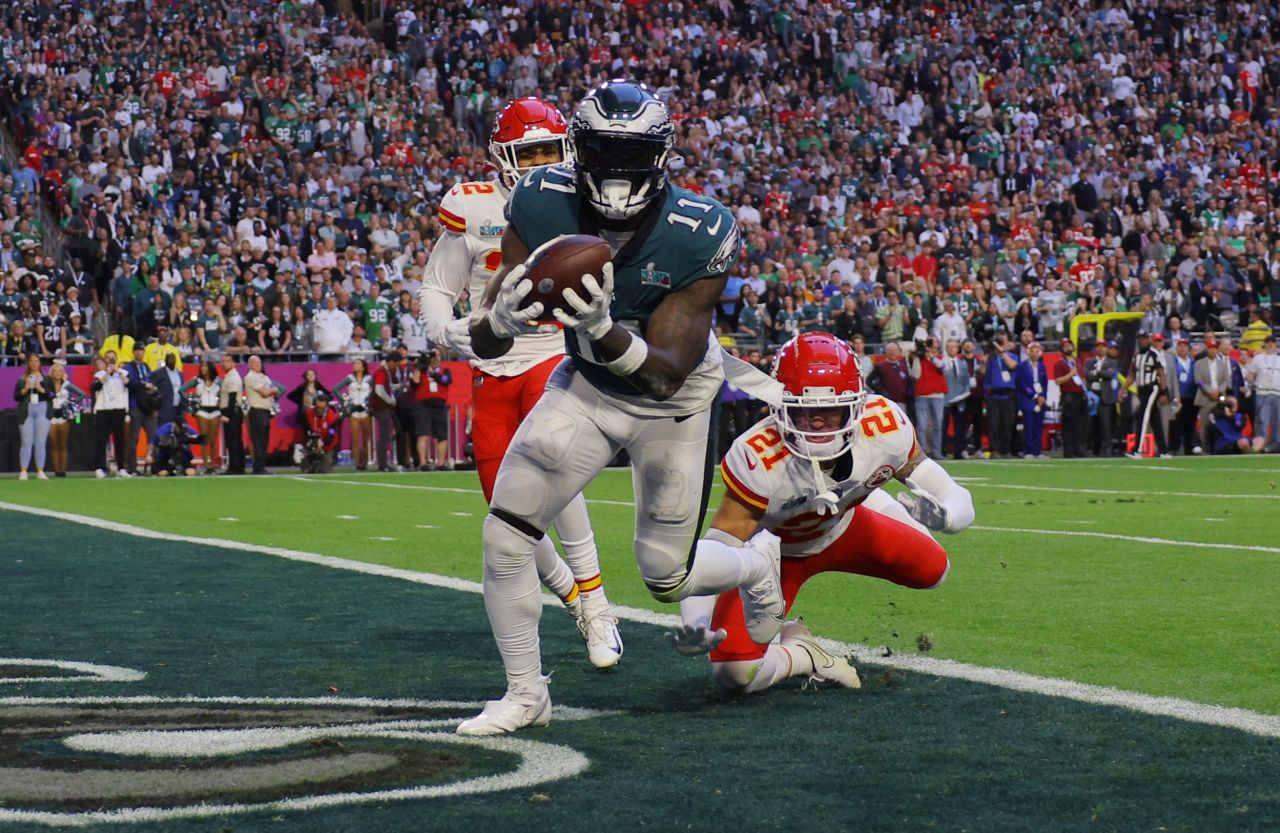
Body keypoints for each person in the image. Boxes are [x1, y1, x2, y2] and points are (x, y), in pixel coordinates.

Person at [460, 82, 781, 736]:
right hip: (588, 384)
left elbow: (665, 375)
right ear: (579, 148)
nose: (615, 167)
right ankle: (527, 693)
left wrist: (605, 327)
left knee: (666, 575)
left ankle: (755, 562)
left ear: (660, 157)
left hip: (675, 404)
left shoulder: (701, 230)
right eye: (604, 150)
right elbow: (491, 339)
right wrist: (498, 315)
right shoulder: (542, 198)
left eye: (629, 153)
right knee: (505, 532)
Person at [420, 96, 618, 663]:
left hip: (553, 354)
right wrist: (446, 330)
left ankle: (599, 603)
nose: (536, 165)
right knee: (506, 513)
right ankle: (575, 599)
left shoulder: (583, 203)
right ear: (502, 157)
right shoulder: (476, 207)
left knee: (554, 463)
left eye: (546, 152)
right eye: (525, 153)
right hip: (492, 363)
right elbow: (437, 285)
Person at [666, 333, 973, 695]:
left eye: (830, 410)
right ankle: (803, 653)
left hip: (847, 524)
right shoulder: (758, 457)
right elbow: (717, 545)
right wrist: (696, 618)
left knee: (935, 571)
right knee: (735, 674)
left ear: (857, 404)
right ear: (777, 404)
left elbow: (952, 492)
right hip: (774, 557)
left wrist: (948, 517)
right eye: (803, 410)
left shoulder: (885, 425)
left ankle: (874, 499)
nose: (816, 423)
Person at [1129, 332, 1171, 458]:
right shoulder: (1136, 357)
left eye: (1144, 339)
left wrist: (1163, 392)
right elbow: (1132, 376)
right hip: (1141, 390)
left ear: (1148, 340)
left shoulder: (1153, 355)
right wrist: (1123, 389)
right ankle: (1164, 450)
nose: (1142, 342)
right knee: (1155, 420)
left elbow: (1161, 374)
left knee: (1143, 416)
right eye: (1140, 339)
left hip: (1152, 388)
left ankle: (1138, 450)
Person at [410, 350, 452, 470]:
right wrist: (419, 367)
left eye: (437, 355)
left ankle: (441, 463)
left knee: (442, 435)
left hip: (439, 404)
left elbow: (446, 380)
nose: (435, 358)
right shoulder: (421, 370)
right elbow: (414, 384)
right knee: (423, 433)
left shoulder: (445, 370)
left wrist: (432, 373)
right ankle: (423, 463)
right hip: (423, 404)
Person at [91, 352, 131, 478]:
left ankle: (121, 467)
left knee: (120, 440)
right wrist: (108, 373)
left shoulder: (123, 373)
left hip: (118, 409)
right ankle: (99, 467)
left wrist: (117, 371)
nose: (111, 360)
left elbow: (129, 384)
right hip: (103, 409)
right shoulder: (100, 374)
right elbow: (95, 387)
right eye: (108, 358)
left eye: (113, 358)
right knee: (101, 440)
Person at [14, 352, 52, 480]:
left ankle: (40, 470)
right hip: (27, 409)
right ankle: (23, 470)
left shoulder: (46, 378)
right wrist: (25, 389)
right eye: (31, 361)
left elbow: (52, 395)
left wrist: (41, 389)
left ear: (39, 363)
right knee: (26, 441)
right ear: (28, 363)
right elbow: (16, 397)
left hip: (42, 408)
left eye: (36, 361)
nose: (34, 364)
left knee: (41, 441)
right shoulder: (21, 378)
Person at [47, 362, 88, 477]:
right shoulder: (47, 384)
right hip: (51, 416)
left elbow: (82, 394)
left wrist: (71, 402)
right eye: (55, 371)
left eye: (60, 371)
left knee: (63, 444)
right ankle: (56, 469)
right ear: (52, 373)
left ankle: (63, 470)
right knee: (54, 444)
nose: (57, 373)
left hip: (63, 416)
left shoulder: (66, 384)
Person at [124, 343, 159, 475]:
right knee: (133, 438)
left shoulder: (147, 367)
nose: (139, 353)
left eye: (141, 350)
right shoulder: (129, 367)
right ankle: (131, 467)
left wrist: (153, 388)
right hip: (135, 405)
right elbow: (129, 385)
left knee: (153, 436)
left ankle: (153, 464)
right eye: (137, 350)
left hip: (148, 406)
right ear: (133, 352)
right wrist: (143, 386)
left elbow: (152, 383)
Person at [908, 336, 947, 458]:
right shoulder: (918, 358)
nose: (932, 343)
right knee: (922, 425)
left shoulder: (940, 357)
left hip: (937, 395)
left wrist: (932, 357)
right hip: (922, 394)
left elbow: (943, 368)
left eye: (934, 341)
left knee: (937, 425)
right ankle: (923, 452)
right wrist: (917, 358)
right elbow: (915, 375)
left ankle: (936, 451)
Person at [243, 355, 282, 475]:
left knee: (264, 439)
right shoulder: (250, 377)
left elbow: (276, 390)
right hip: (256, 410)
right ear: (250, 365)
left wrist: (272, 390)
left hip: (265, 410)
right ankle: (258, 466)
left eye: (259, 362)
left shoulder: (263, 377)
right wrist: (272, 390)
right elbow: (266, 392)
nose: (258, 365)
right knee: (258, 440)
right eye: (255, 363)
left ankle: (261, 465)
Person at [183, 360, 223, 474]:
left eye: (206, 366)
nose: (203, 368)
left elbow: (226, 390)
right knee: (204, 439)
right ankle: (206, 465)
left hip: (215, 411)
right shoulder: (197, 380)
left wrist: (221, 402)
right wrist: (191, 401)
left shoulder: (218, 381)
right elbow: (182, 390)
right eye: (202, 366)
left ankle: (213, 464)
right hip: (202, 411)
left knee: (213, 439)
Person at [983, 332, 1019, 457]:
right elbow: (982, 371)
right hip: (993, 396)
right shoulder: (991, 358)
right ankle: (995, 450)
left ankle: (1006, 449)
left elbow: (1012, 365)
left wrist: (1002, 352)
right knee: (994, 424)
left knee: (1007, 424)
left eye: (1002, 341)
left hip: (1007, 395)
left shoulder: (1012, 356)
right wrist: (986, 358)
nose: (1000, 344)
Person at [334, 358, 373, 470]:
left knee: (366, 439)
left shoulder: (369, 378)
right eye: (354, 363)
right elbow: (336, 389)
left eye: (357, 363)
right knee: (355, 439)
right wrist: (345, 401)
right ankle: (356, 463)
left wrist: (369, 400)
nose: (355, 365)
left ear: (363, 366)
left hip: (365, 410)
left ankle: (365, 462)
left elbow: (376, 389)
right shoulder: (349, 378)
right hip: (354, 410)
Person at [1194, 336, 1231, 454]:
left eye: (1215, 348)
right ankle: (1205, 448)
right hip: (1205, 397)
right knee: (1204, 424)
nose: (1213, 351)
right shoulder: (1199, 363)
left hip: (1219, 397)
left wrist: (1218, 390)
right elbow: (1199, 380)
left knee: (1221, 422)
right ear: (1207, 349)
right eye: (1211, 348)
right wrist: (1209, 390)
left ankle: (1219, 447)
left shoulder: (1222, 364)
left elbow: (1227, 380)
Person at [1086, 341, 1122, 457]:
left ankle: (1107, 450)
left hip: (1105, 397)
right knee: (1092, 425)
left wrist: (1097, 372)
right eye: (1098, 347)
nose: (1101, 349)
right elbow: (1087, 375)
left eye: (1103, 347)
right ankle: (1094, 449)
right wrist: (1101, 374)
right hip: (1092, 396)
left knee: (1106, 425)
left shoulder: (1112, 362)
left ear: (1106, 349)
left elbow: (1110, 375)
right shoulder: (1089, 361)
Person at [1053, 338, 1087, 458]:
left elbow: (1082, 377)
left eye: (1069, 345)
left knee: (1080, 424)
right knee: (1068, 425)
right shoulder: (1060, 363)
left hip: (1080, 395)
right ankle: (1068, 450)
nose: (1068, 347)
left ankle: (1079, 448)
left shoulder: (1078, 361)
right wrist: (1070, 374)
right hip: (1069, 396)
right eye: (1065, 346)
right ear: (1062, 349)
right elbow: (1058, 381)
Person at [1015, 341, 1049, 458]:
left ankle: (1037, 451)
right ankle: (1028, 451)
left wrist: (1043, 396)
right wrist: (1035, 396)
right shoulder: (1022, 366)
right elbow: (1022, 384)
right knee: (1028, 426)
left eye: (1036, 351)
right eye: (1032, 351)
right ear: (1027, 352)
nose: (1034, 354)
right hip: (1028, 400)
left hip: (1040, 400)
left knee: (1038, 427)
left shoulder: (1042, 365)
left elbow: (1044, 383)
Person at [1247, 336, 1280, 452]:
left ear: (1276, 345)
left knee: (1277, 421)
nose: (1270, 345)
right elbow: (1250, 375)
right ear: (1264, 344)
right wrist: (1250, 386)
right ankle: (1261, 445)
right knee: (1262, 420)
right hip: (1262, 393)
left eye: (1272, 342)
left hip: (1277, 393)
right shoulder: (1258, 358)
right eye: (1268, 342)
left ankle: (1276, 446)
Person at [370, 353, 400, 472]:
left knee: (385, 435)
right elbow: (379, 390)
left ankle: (383, 463)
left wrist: (398, 386)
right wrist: (391, 401)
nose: (396, 367)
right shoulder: (381, 372)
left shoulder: (383, 371)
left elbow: (385, 387)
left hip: (382, 407)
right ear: (391, 362)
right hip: (381, 407)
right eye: (396, 364)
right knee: (384, 436)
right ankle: (382, 464)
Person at [1169, 338, 1199, 455]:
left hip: (1191, 397)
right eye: (1180, 346)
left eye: (1185, 346)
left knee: (1190, 424)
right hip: (1178, 396)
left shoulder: (1193, 363)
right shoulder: (1173, 362)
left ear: (1188, 349)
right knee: (1176, 423)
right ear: (1177, 348)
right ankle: (1175, 447)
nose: (1183, 348)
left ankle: (1189, 447)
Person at [942, 339, 972, 459]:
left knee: (960, 426)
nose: (951, 349)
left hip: (960, 399)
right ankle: (942, 451)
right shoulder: (942, 362)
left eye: (954, 347)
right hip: (945, 399)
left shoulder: (962, 363)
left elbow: (966, 381)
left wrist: (965, 393)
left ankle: (959, 451)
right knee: (943, 426)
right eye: (949, 347)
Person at [302, 390, 342, 473]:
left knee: (325, 469)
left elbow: (331, 433)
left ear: (326, 406)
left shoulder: (332, 416)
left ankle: (327, 462)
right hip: (314, 441)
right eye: (317, 407)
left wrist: (323, 442)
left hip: (329, 444)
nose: (319, 410)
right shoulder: (308, 414)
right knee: (306, 467)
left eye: (321, 408)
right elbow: (306, 429)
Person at [219, 354, 246, 474]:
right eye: (223, 361)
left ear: (233, 363)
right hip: (233, 411)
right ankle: (239, 466)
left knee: (233, 440)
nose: (225, 363)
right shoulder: (229, 376)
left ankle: (235, 467)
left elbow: (232, 397)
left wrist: (228, 415)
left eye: (228, 361)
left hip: (232, 411)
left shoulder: (233, 377)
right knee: (235, 440)